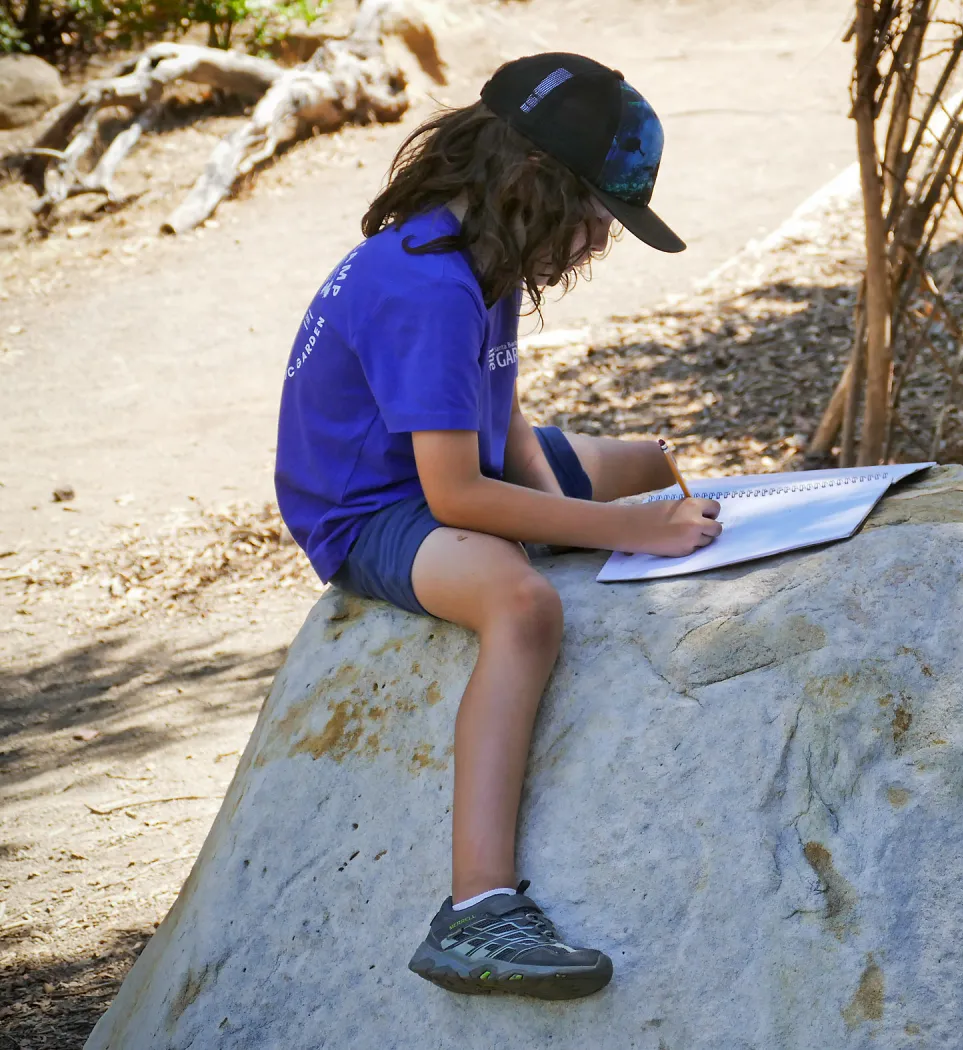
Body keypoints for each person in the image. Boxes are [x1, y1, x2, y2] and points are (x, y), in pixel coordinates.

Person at [273, 52, 722, 1000]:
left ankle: (627, 507)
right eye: (600, 212)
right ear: (538, 184)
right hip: (371, 511)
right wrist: (628, 535)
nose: (602, 236)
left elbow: (497, 419)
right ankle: (477, 910)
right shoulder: (426, 283)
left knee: (646, 464)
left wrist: (605, 508)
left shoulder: (481, 257)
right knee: (522, 607)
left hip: (447, 470)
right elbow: (456, 500)